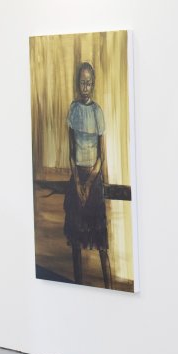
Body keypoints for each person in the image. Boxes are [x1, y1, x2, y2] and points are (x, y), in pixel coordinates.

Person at [64, 61, 112, 289]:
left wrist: (89, 183)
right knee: (75, 238)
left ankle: (109, 286)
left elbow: (101, 157)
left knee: (100, 240)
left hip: (94, 179)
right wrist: (77, 183)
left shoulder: (97, 111)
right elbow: (71, 153)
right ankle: (78, 285)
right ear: (77, 83)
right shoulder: (73, 110)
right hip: (77, 179)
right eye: (82, 83)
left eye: (89, 83)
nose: (85, 87)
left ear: (93, 84)